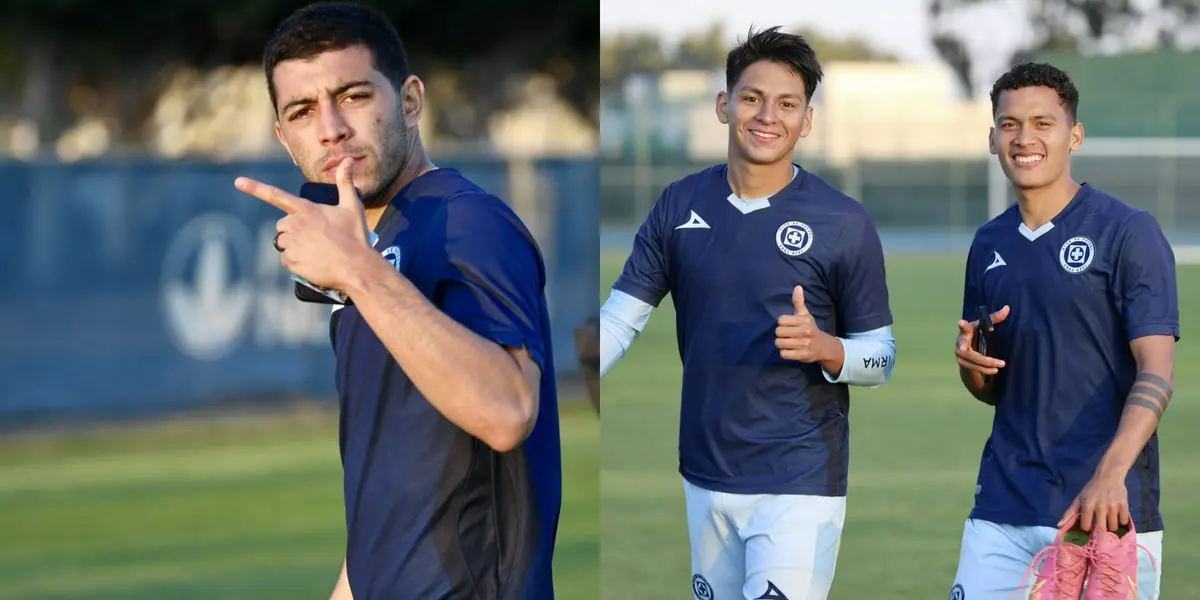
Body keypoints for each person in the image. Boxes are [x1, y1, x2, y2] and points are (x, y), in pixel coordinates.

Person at [234, 3, 561, 599]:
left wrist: (360, 274)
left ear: (409, 100)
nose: (330, 127)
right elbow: (391, 488)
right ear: (284, 137)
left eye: (353, 96)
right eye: (302, 111)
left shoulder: (468, 222)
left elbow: (510, 410)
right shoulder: (370, 249)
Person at [599, 27, 895, 600]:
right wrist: (545, 386)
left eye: (788, 104)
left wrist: (826, 348)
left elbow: (881, 357)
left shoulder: (843, 221)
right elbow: (618, 320)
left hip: (800, 480)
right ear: (723, 105)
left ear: (807, 121)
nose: (767, 116)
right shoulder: (680, 204)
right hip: (706, 475)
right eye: (752, 97)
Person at [949, 62, 1176, 600]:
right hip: (1003, 504)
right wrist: (972, 368)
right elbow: (995, 387)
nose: (1024, 138)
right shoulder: (988, 243)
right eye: (1009, 125)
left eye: (1042, 123)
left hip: (1106, 509)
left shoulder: (1127, 231)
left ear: (1074, 134)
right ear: (992, 138)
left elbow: (1158, 370)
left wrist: (1110, 473)